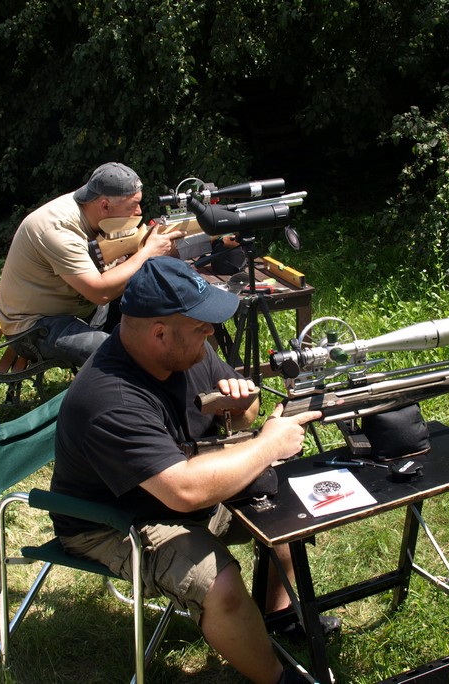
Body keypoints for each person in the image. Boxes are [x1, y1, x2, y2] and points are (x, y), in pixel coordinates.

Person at [51, 256, 324, 684]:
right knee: (221, 586)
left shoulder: (187, 349)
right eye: (201, 326)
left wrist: (241, 407)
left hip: (182, 483)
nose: (211, 332)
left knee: (287, 510)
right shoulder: (110, 399)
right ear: (159, 333)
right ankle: (279, 680)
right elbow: (184, 492)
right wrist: (268, 444)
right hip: (116, 520)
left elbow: (244, 415)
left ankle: (279, 615)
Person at [0, 162, 181, 366]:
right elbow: (99, 292)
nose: (138, 212)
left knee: (154, 308)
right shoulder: (57, 229)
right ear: (104, 205)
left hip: (80, 310)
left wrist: (158, 248)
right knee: (120, 356)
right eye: (132, 205)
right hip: (33, 327)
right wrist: (147, 253)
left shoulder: (99, 212)